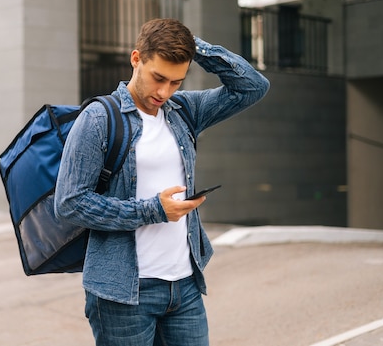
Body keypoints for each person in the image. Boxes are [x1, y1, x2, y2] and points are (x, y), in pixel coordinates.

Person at [54, 18, 270, 346]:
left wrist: (197, 48)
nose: (163, 92)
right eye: (158, 78)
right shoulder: (99, 119)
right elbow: (69, 202)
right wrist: (153, 210)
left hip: (184, 285)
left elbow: (252, 86)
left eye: (175, 82)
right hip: (123, 293)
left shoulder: (183, 110)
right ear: (136, 58)